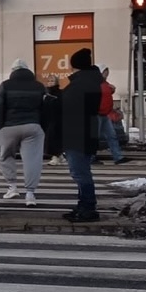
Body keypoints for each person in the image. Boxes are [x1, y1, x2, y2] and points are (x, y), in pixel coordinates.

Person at [60, 49, 104, 222]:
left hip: (77, 132)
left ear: (75, 65)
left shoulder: (80, 84)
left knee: (80, 172)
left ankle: (88, 207)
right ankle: (83, 205)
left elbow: (69, 106)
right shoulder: (91, 81)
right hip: (85, 130)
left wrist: (55, 97)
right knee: (81, 171)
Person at [0, 59, 46, 206]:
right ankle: (30, 194)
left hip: (9, 126)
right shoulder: (39, 86)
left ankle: (12, 187)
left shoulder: (5, 85)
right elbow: (45, 107)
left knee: (6, 156)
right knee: (32, 160)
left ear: (13, 71)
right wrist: (42, 125)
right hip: (32, 125)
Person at [95, 69, 125, 165]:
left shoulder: (105, 84)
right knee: (96, 137)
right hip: (98, 114)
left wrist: (112, 90)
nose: (106, 74)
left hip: (104, 114)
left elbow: (106, 97)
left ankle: (118, 157)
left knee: (112, 136)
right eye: (105, 72)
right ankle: (91, 158)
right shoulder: (95, 83)